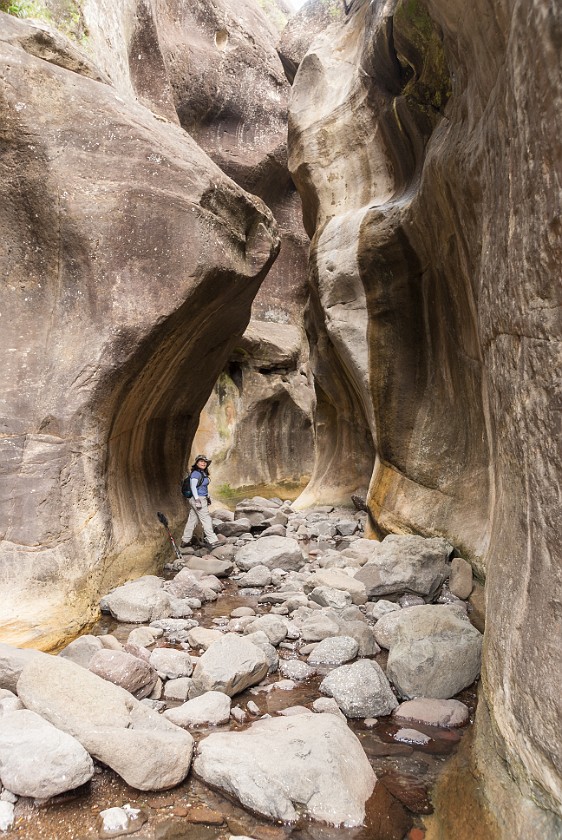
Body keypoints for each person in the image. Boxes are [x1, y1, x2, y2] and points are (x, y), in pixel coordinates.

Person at [181, 455, 218, 549]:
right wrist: (197, 500)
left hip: (201, 498)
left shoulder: (202, 473)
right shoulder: (196, 473)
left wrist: (207, 497)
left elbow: (203, 487)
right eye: (201, 461)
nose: (203, 463)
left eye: (205, 462)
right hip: (198, 499)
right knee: (206, 519)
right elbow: (193, 487)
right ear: (197, 463)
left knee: (192, 520)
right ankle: (213, 541)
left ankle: (185, 541)